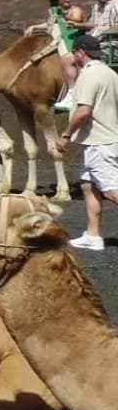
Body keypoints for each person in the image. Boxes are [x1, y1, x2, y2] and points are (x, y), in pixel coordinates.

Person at [58, 32, 118, 251]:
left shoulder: (88, 75)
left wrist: (65, 135)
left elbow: (83, 111)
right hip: (108, 139)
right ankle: (93, 236)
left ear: (81, 53)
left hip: (99, 143)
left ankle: (93, 236)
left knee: (112, 190)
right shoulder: (110, 73)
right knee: (88, 185)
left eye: (75, 53)